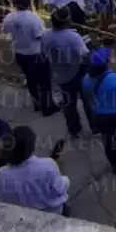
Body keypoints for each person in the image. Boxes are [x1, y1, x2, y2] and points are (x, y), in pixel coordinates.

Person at [0, 125, 70, 215]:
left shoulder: (1, 175)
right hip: (53, 214)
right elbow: (60, 190)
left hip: (25, 218)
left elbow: (3, 199)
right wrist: (66, 179)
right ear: (32, 147)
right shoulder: (48, 165)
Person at [1, 0, 57, 116]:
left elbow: (5, 31)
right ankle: (47, 107)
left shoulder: (9, 17)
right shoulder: (33, 18)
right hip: (35, 53)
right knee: (44, 81)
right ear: (28, 3)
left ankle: (37, 104)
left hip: (19, 53)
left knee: (31, 79)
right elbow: (40, 36)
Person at [42, 8, 93, 137]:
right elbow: (85, 54)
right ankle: (95, 126)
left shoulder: (46, 35)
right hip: (77, 71)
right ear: (67, 21)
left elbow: (43, 53)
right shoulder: (73, 36)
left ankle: (74, 129)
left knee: (69, 104)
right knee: (88, 100)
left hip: (60, 74)